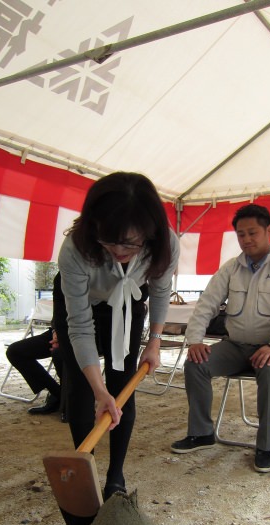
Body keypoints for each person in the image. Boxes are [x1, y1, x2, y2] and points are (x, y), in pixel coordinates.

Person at [57, 171, 180, 500]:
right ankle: (88, 475)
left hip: (128, 304)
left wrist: (154, 341)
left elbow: (160, 289)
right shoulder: (75, 249)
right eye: (108, 240)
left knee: (123, 384)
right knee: (82, 391)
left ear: (149, 231)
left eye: (129, 243)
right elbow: (80, 325)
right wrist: (99, 391)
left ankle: (115, 477)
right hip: (81, 302)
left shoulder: (165, 243)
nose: (117, 250)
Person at [170, 203, 270, 473]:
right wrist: (195, 339)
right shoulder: (231, 268)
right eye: (241, 234)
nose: (246, 240)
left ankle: (266, 446)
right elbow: (207, 303)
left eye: (252, 233)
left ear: (269, 231)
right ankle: (201, 433)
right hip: (237, 345)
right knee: (196, 364)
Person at [5, 272, 65, 419]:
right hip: (60, 331)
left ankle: (72, 401)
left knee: (61, 354)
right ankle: (59, 395)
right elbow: (58, 311)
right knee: (15, 351)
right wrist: (57, 331)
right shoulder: (61, 276)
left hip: (88, 335)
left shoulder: (97, 274)